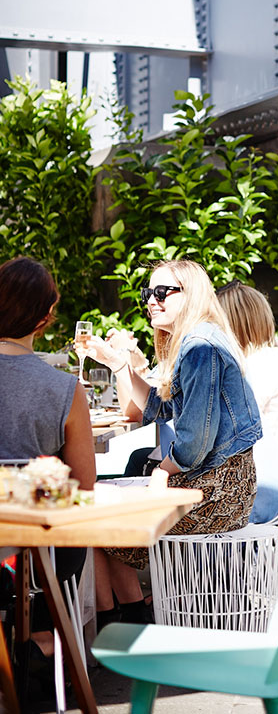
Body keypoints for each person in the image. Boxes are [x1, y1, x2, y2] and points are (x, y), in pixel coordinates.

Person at [84, 259, 262, 625]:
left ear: (191, 294)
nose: (152, 300)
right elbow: (158, 408)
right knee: (99, 501)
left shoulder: (200, 347)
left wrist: (161, 473)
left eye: (162, 292)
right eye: (148, 293)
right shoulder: (197, 341)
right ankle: (128, 617)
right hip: (221, 484)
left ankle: (116, 626)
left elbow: (194, 445)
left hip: (216, 494)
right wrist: (119, 364)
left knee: (93, 517)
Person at [0, 256, 96, 689]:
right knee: (73, 528)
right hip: (37, 554)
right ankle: (42, 638)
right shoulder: (65, 390)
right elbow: (85, 485)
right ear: (44, 318)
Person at [216, 280, 278, 523]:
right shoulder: (268, 356)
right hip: (259, 476)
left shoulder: (258, 364)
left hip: (256, 488)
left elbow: (230, 426)